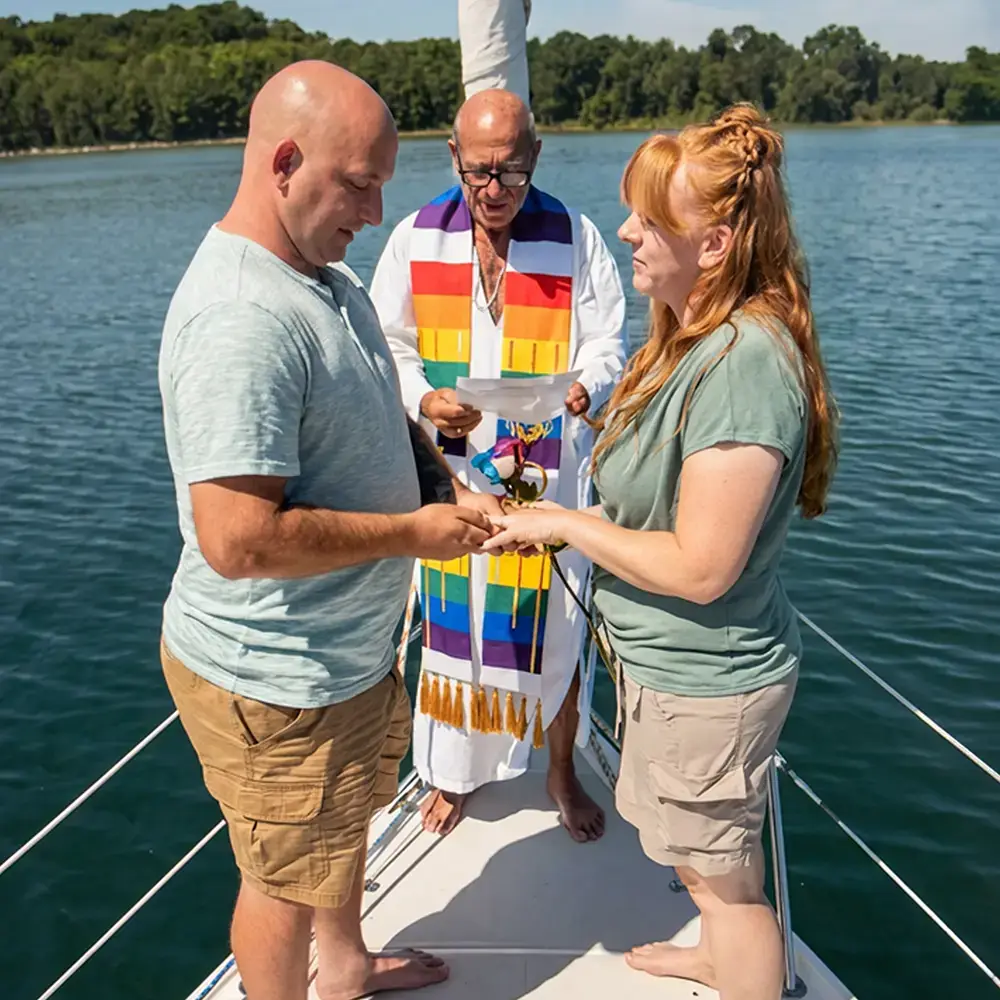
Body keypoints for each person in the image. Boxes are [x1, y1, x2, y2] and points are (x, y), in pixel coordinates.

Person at [157, 61, 495, 1000]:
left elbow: (373, 417)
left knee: (340, 827)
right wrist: (411, 535)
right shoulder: (243, 317)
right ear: (285, 161)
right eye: (359, 184)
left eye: (385, 182)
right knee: (279, 884)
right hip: (277, 679)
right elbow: (237, 539)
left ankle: (344, 968)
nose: (378, 211)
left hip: (344, 655)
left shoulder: (323, 276)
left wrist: (440, 481)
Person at [485, 103, 838, 1000]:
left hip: (708, 686)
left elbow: (703, 567)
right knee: (700, 865)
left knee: (729, 896)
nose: (626, 231)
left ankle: (735, 961)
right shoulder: (691, 341)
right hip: (670, 674)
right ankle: (716, 958)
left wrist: (564, 523)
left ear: (714, 244)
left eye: (649, 217)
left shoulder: (745, 364)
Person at [369, 88, 627, 840]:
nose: (493, 192)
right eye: (479, 173)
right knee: (454, 641)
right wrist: (422, 398)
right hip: (455, 478)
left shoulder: (573, 236)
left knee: (555, 632)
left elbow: (607, 337)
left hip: (545, 479)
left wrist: (590, 384)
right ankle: (453, 776)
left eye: (510, 174)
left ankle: (559, 772)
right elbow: (389, 345)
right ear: (453, 157)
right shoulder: (416, 238)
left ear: (536, 158)